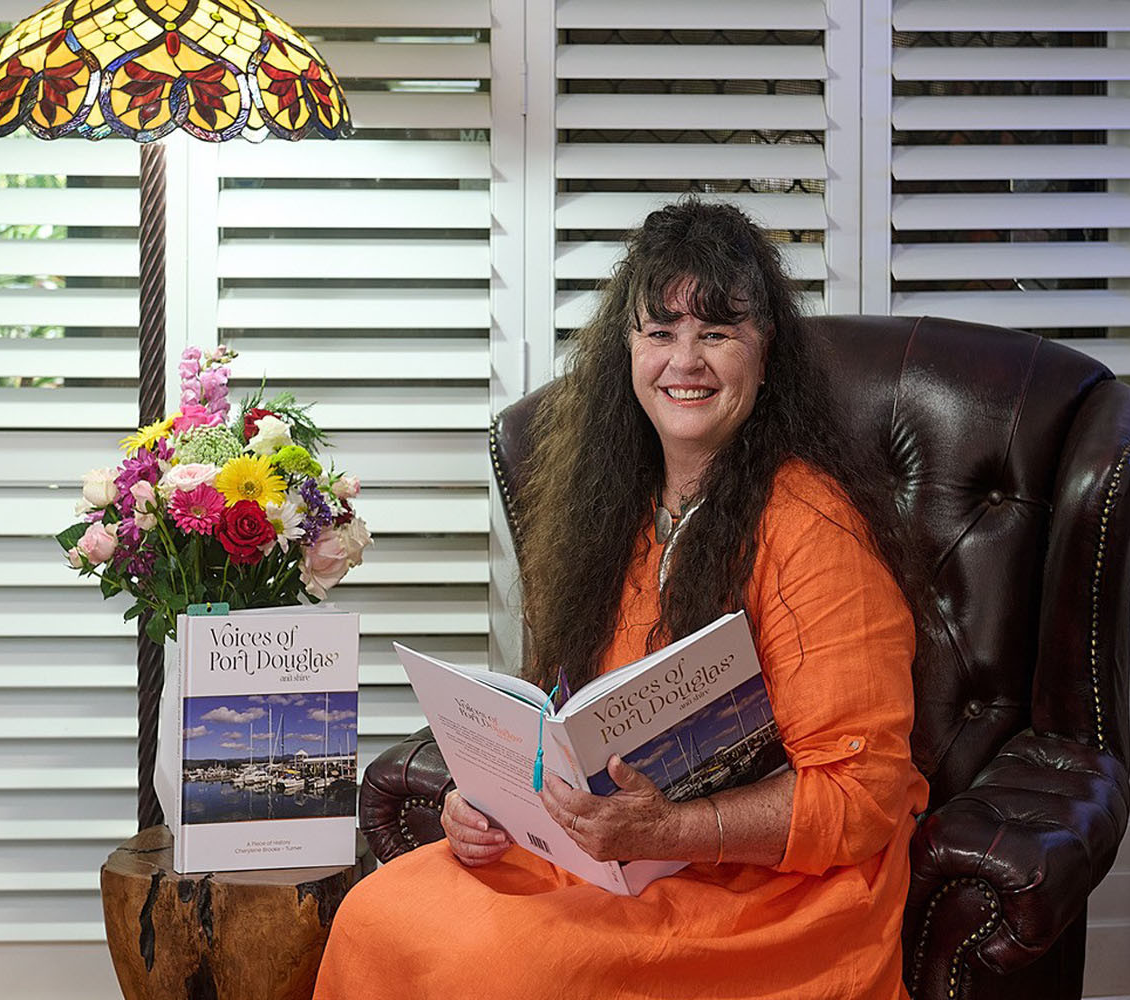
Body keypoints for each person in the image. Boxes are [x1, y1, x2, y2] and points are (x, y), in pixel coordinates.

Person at [313, 199, 929, 1000]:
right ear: (628, 351)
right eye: (660, 332)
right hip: (610, 856)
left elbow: (862, 797)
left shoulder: (814, 526)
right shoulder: (611, 510)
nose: (686, 361)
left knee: (513, 969)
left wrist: (673, 829)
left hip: (767, 892)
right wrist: (486, 799)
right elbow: (561, 721)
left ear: (766, 350)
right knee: (374, 915)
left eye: (717, 333)